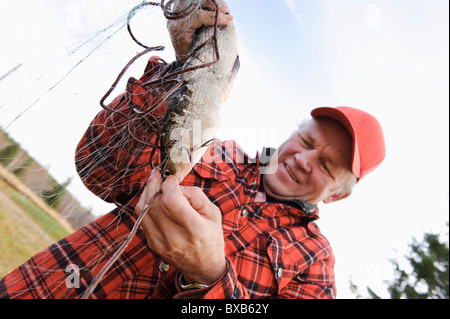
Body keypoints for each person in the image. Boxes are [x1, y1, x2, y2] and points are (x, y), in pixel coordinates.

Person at [0, 0, 385, 299]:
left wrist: (209, 277)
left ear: (337, 194)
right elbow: (98, 167)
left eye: (327, 165)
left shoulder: (315, 265)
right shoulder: (214, 152)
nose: (302, 160)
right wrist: (182, 74)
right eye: (306, 141)